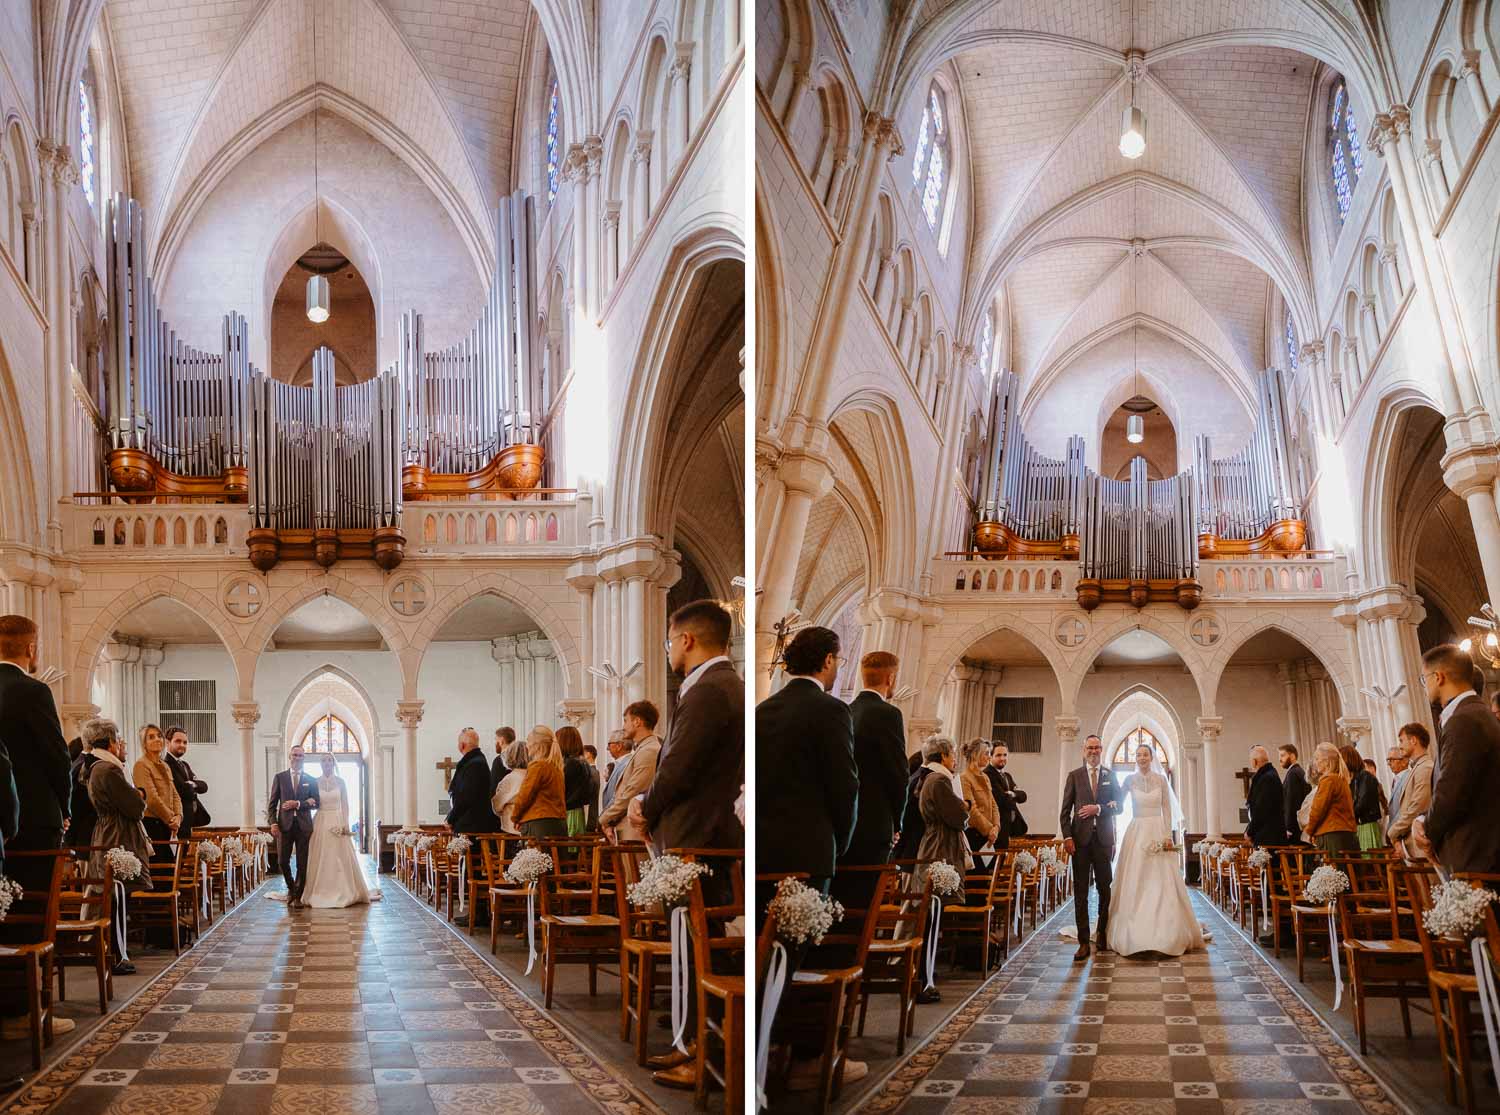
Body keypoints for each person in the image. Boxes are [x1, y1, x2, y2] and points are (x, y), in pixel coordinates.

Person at [633, 600, 745, 859]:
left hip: (696, 840)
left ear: (686, 640)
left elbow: (678, 768)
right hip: (712, 836)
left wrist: (643, 809)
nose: (669, 652)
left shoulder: (708, 690)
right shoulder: (730, 684)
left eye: (669, 644)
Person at [755, 625, 856, 894]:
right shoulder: (833, 710)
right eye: (839, 660)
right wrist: (839, 841)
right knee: (803, 934)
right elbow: (844, 783)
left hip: (762, 850)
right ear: (827, 660)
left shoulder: (762, 711)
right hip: (810, 850)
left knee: (764, 934)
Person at [1106, 743, 1205, 957]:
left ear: (1152, 758)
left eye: (1145, 755)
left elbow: (1167, 810)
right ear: (1136, 758)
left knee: (1161, 878)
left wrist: (1168, 836)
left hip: (1158, 830)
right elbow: (1118, 803)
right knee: (1137, 876)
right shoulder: (1128, 780)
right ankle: (1135, 926)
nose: (1142, 758)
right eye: (1138, 755)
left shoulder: (1161, 780)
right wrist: (1109, 803)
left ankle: (1166, 928)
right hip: (1137, 831)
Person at [1415, 644, 1500, 872]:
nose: (1425, 687)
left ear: (1438, 677)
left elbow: (1452, 790)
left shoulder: (1464, 720)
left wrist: (1425, 828)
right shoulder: (1476, 713)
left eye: (1424, 679)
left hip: (1474, 852)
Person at [81, 718, 152, 978]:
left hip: (108, 833)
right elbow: (134, 807)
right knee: (117, 897)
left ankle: (113, 951)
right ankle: (116, 954)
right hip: (117, 836)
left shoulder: (95, 767)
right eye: (118, 738)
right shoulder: (108, 770)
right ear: (110, 741)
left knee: (114, 896)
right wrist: (140, 797)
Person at [0, 615, 66, 879]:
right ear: (31, 648)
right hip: (33, 818)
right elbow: (56, 754)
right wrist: (64, 806)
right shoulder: (34, 691)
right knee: (33, 906)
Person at [840, 651, 908, 866]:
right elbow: (898, 774)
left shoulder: (846, 711)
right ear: (890, 679)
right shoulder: (888, 714)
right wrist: (897, 822)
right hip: (875, 821)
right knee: (866, 895)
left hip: (844, 821)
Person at [1060, 733, 1121, 960]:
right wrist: (1067, 837)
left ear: (1102, 749)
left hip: (1103, 841)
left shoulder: (1110, 775)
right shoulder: (1074, 776)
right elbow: (1064, 811)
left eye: (1097, 748)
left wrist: (1099, 808)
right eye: (1090, 748)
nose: (1093, 752)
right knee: (1081, 891)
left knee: (1105, 889)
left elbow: (1120, 805)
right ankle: (1083, 942)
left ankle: (1102, 932)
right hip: (1081, 842)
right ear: (1083, 750)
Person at [301, 753, 380, 907]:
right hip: (321, 820)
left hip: (337, 819)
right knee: (320, 855)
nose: (327, 763)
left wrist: (345, 824)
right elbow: (311, 803)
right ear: (321, 764)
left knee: (339, 855)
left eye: (329, 760)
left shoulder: (341, 782)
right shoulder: (314, 782)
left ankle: (344, 890)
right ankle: (318, 890)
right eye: (324, 760)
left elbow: (345, 805)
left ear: (333, 763)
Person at [268, 744, 321, 908]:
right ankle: (291, 888)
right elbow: (272, 804)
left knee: (302, 863)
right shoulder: (280, 777)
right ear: (289, 757)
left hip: (304, 826)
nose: (297, 758)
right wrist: (273, 823)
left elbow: (316, 802)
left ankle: (298, 896)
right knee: (282, 861)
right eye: (295, 755)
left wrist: (298, 803)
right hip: (285, 826)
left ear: (304, 758)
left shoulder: (311, 780)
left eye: (300, 756)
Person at [602, 701, 661, 843]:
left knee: (637, 866)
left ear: (637, 722)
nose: (624, 726)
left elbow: (633, 791)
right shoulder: (642, 749)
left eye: (626, 721)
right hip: (625, 825)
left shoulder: (649, 750)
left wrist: (604, 818)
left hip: (635, 829)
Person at [133, 724, 182, 860]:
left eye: (159, 736)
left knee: (171, 870)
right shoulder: (141, 765)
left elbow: (175, 794)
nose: (157, 739)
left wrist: (178, 816)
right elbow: (151, 798)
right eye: (151, 737)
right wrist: (171, 819)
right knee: (162, 871)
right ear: (144, 743)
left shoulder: (165, 765)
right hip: (153, 824)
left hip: (168, 823)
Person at [511, 726, 568, 837]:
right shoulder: (555, 766)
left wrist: (515, 817)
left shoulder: (538, 766)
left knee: (537, 855)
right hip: (558, 822)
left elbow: (525, 795)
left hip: (539, 822)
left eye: (528, 741)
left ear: (536, 745)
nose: (526, 746)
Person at [1387, 723, 1431, 859]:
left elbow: (1417, 807)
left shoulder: (1425, 768)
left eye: (1402, 740)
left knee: (1430, 881)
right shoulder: (1417, 767)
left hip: (1420, 842)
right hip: (1409, 841)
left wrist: (1393, 831)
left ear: (1413, 740)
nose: (1400, 746)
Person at [1305, 742, 1358, 854]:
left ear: (1326, 761)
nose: (1316, 762)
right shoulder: (1341, 779)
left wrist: (1309, 831)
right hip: (1346, 833)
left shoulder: (1328, 780)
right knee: (1347, 871)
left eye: (1317, 758)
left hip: (1332, 834)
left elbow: (1318, 810)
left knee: (1333, 871)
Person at [959, 738, 1001, 866]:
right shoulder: (965, 778)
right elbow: (971, 809)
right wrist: (989, 830)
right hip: (976, 834)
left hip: (989, 836)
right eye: (986, 753)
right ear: (975, 755)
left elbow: (994, 805)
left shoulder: (985, 777)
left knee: (987, 878)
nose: (989, 757)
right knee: (976, 879)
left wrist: (996, 827)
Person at [163, 726, 210, 839]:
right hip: (176, 821)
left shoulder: (184, 765)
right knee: (177, 856)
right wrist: (193, 785)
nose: (182, 745)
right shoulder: (165, 765)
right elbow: (183, 790)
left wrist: (193, 784)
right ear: (167, 743)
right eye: (178, 741)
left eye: (185, 742)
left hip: (188, 820)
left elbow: (204, 786)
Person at [445, 728, 492, 834]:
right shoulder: (475, 762)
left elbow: (465, 797)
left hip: (471, 826)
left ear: (462, 745)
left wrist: (450, 818)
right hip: (471, 823)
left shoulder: (474, 765)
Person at [984, 742, 1027, 848]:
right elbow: (1002, 800)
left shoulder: (1007, 776)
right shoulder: (987, 775)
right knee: (996, 862)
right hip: (996, 827)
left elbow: (1023, 796)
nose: (1002, 758)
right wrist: (1014, 795)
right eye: (998, 755)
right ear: (990, 756)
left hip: (1009, 828)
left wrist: (1012, 794)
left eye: (1005, 755)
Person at [1342, 743, 1384, 849]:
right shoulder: (1352, 779)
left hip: (1366, 825)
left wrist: (1347, 815)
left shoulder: (1366, 777)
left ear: (1348, 760)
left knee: (1369, 860)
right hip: (1357, 825)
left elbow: (1362, 803)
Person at [1244, 745, 1285, 847]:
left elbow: (1261, 809)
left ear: (1254, 761)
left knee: (1269, 863)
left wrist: (1250, 831)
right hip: (1266, 834)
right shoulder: (1269, 775)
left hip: (1268, 837)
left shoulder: (1267, 778)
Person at [490, 740, 529, 833]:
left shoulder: (509, 779)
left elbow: (496, 806)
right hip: (529, 828)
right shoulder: (533, 776)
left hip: (511, 830)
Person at [1279, 744, 1311, 843]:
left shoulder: (1293, 774)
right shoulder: (1299, 772)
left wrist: (1288, 827)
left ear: (1292, 756)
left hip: (1294, 828)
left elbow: (1291, 802)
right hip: (1300, 825)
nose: (1280, 759)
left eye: (1282, 755)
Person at [600, 730, 631, 813]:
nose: (607, 748)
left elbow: (618, 796)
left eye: (609, 745)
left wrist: (605, 817)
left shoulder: (626, 765)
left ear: (619, 746)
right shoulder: (620, 763)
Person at [490, 726, 515, 797]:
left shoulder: (499, 761)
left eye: (496, 740)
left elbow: (494, 788)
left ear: (501, 740)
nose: (495, 743)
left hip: (503, 803)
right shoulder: (521, 758)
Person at [582, 744, 602, 830]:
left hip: (588, 815)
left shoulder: (590, 771)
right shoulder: (595, 771)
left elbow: (587, 793)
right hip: (592, 814)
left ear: (588, 754)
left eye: (582, 753)